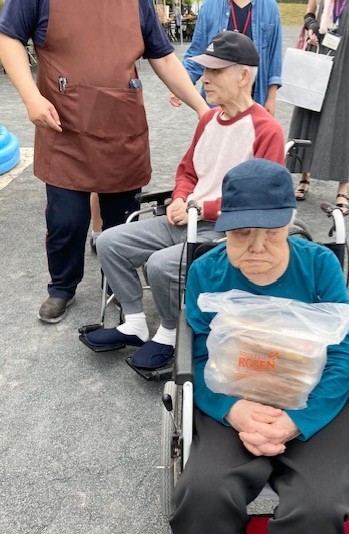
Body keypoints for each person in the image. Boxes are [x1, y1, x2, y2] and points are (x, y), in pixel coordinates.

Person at [170, 158, 349, 534]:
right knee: (202, 494)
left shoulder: (318, 265)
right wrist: (232, 411)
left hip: (315, 396)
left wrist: (299, 419)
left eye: (271, 234)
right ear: (224, 228)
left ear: (289, 224)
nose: (257, 247)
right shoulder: (207, 271)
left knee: (318, 508)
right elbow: (198, 353)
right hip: (235, 392)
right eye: (241, 234)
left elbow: (343, 353)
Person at [82, 32, 285, 370]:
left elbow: (261, 200)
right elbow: (188, 170)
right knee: (109, 242)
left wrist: (200, 208)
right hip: (186, 216)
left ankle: (171, 331)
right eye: (205, 69)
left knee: (161, 265)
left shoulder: (267, 130)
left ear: (243, 76)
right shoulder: (208, 120)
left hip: (227, 230)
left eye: (215, 71)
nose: (204, 78)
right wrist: (179, 198)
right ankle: (134, 322)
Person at [0, 0, 208, 324]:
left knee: (121, 224)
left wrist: (202, 108)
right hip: (64, 127)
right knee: (66, 221)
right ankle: (62, 287)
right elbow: (8, 36)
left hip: (121, 128)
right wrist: (31, 97)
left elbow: (164, 57)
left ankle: (118, 286)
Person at [286, 0, 349, 214]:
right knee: (310, 112)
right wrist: (312, 28)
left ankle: (343, 187)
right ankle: (305, 176)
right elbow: (309, 14)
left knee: (342, 117)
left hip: (346, 60)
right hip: (318, 51)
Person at [168, 0, 282, 115]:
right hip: (218, 102)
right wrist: (181, 84)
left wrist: (271, 99)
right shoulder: (209, 6)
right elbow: (197, 51)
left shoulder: (269, 7)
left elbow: (274, 57)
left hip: (254, 98)